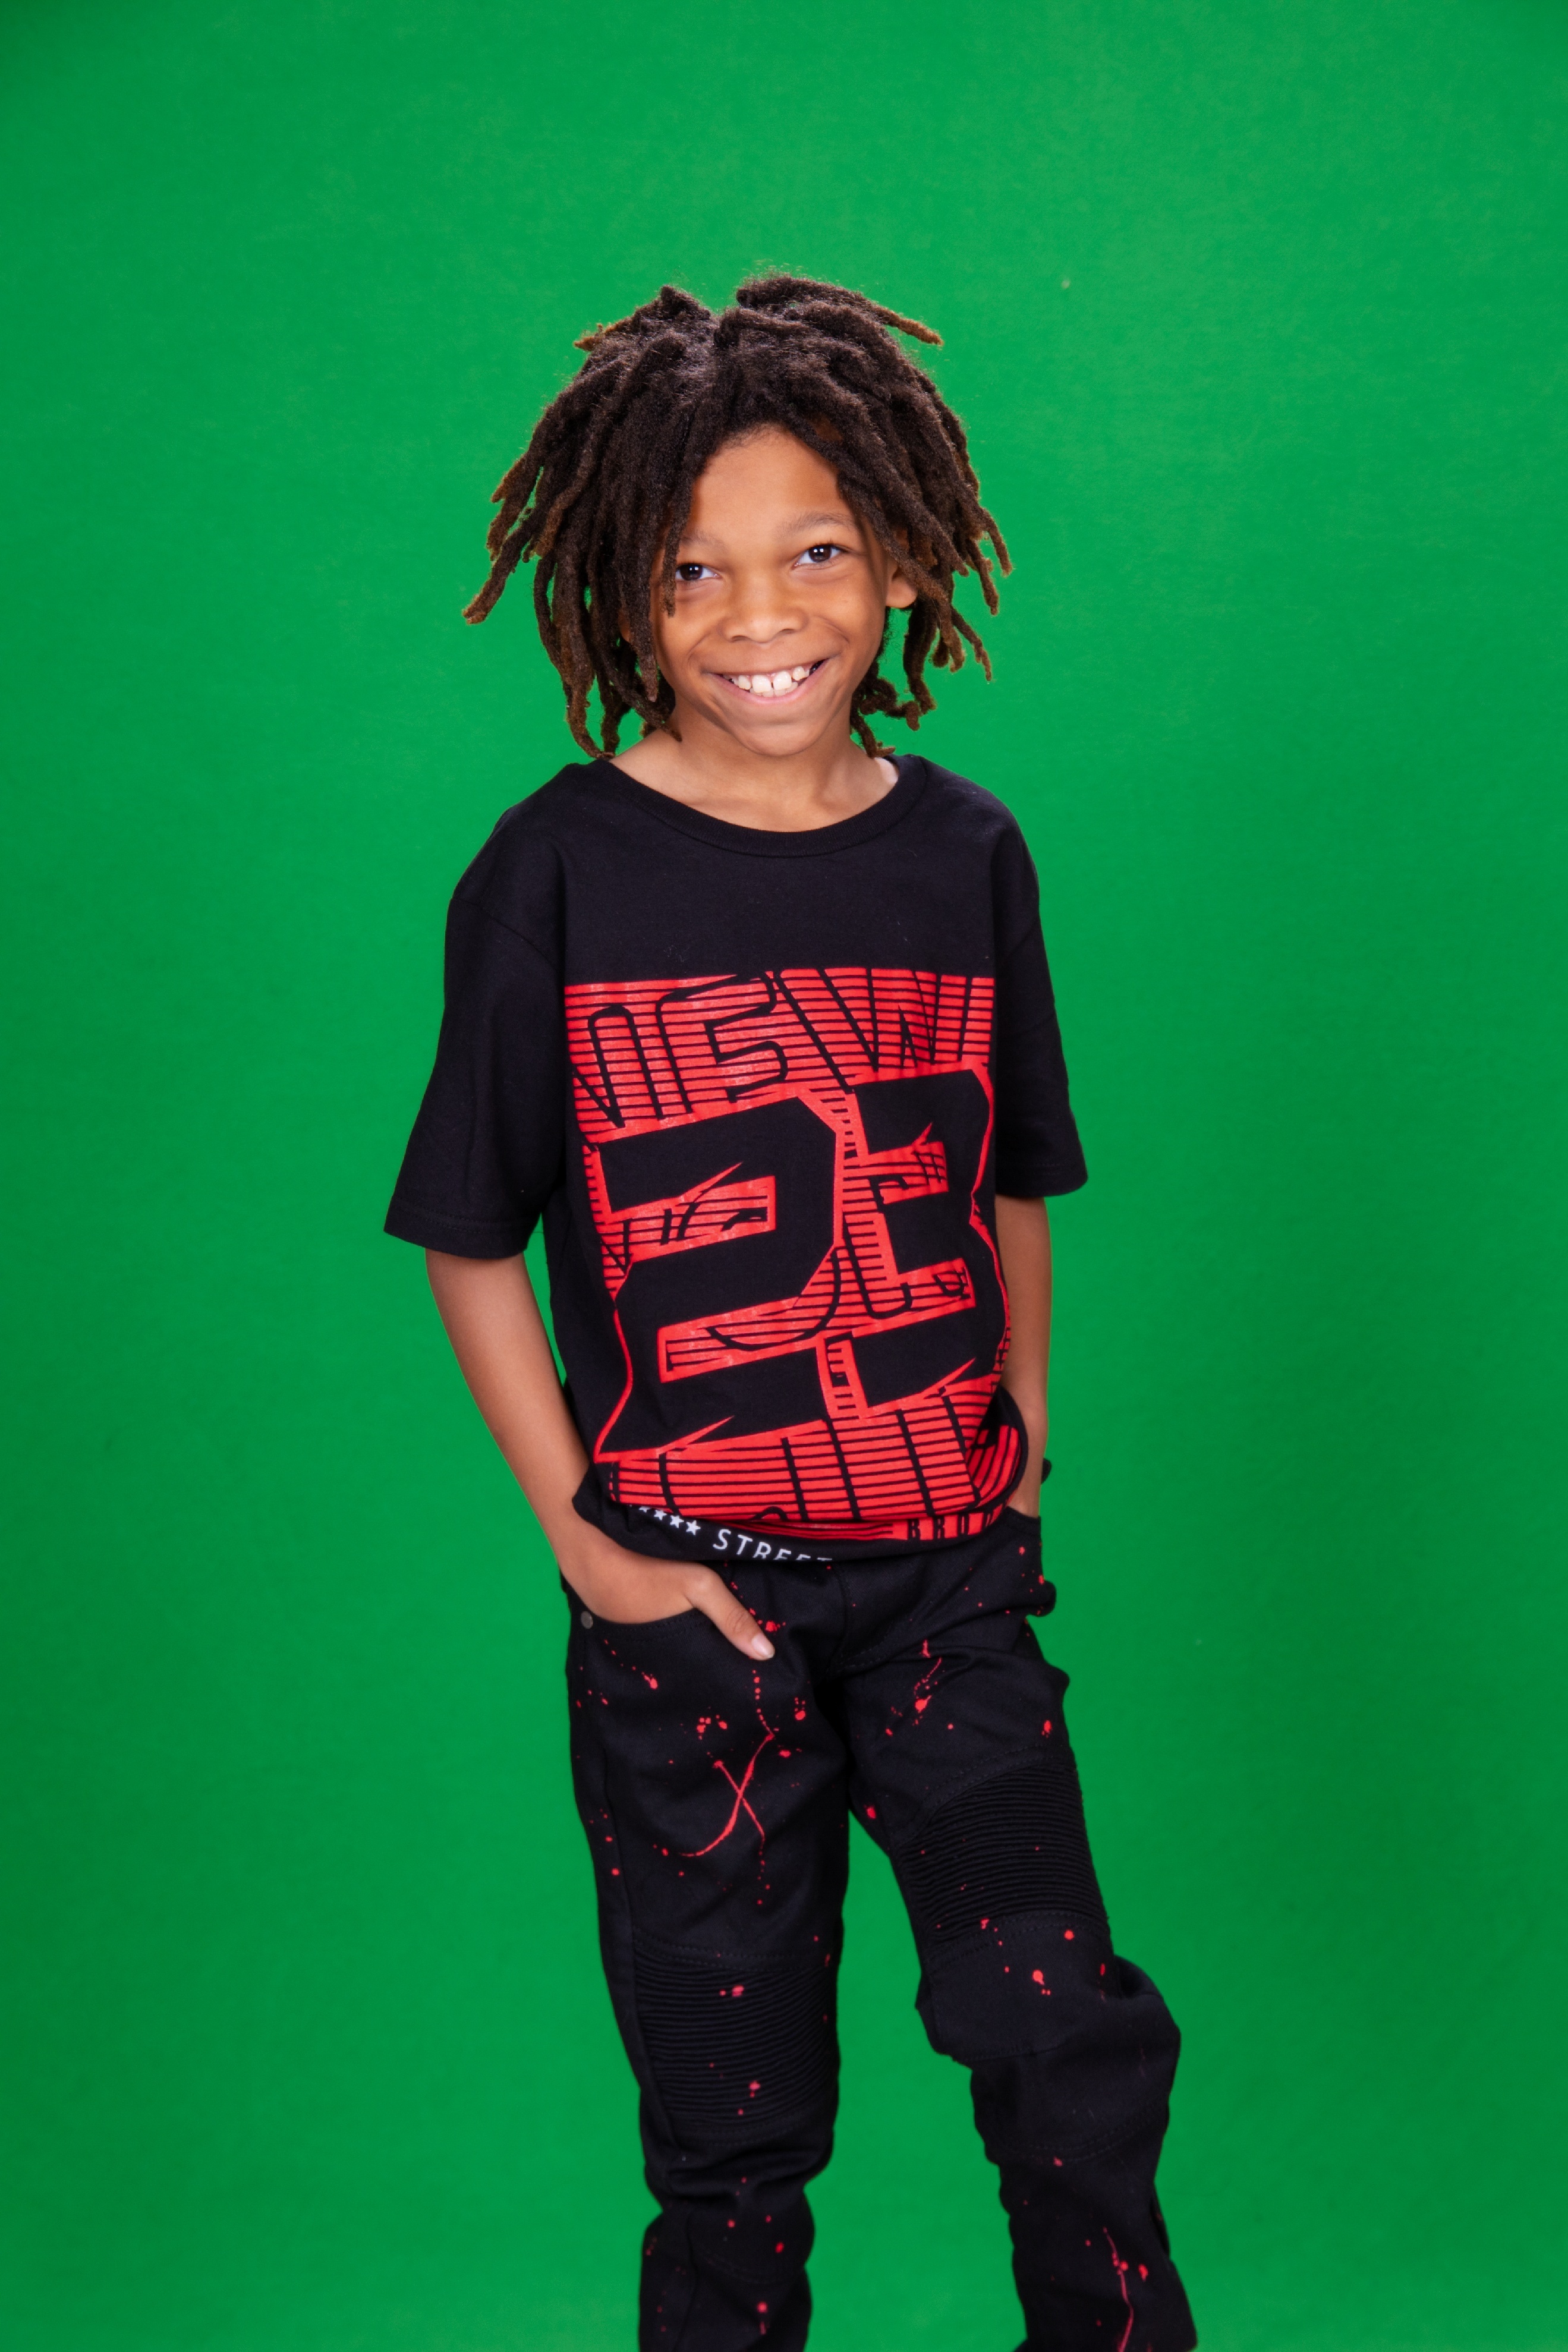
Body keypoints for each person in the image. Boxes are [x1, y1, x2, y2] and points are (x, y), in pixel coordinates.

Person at [385, 277, 1196, 2352]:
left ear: (903, 558)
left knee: (1067, 2050)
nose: (765, 613)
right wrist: (586, 1541)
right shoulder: (557, 872)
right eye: (696, 568)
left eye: (817, 549)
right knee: (732, 2136)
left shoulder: (969, 852)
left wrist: (1021, 1425)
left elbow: (1009, 1173)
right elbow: (470, 1233)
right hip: (696, 1617)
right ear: (625, 594)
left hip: (950, 1583)